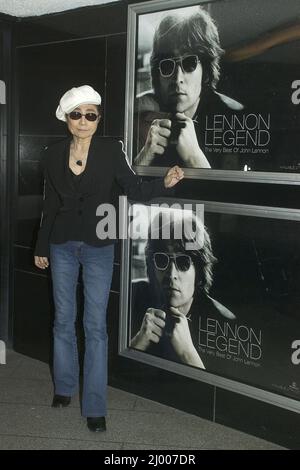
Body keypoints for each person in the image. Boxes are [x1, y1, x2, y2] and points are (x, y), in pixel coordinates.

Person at [34, 85, 184, 433]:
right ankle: (65, 387)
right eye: (77, 114)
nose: (84, 121)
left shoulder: (111, 150)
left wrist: (164, 183)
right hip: (60, 245)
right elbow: (50, 205)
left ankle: (95, 406)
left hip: (99, 246)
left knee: (96, 327)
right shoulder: (52, 154)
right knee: (63, 319)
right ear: (67, 118)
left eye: (91, 114)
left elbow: (133, 189)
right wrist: (41, 247)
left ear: (99, 119)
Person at [134, 8, 243, 169]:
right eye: (167, 66)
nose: (177, 79)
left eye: (189, 63)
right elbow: (123, 188)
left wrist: (194, 157)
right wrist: (144, 155)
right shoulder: (140, 114)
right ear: (158, 73)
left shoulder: (231, 116)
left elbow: (231, 192)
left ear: (205, 70)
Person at [130, 210, 235, 368]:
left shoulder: (222, 322)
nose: (171, 274)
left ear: (198, 271)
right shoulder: (134, 297)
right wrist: (138, 342)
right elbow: (116, 373)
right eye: (161, 259)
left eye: (183, 263)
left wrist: (188, 353)